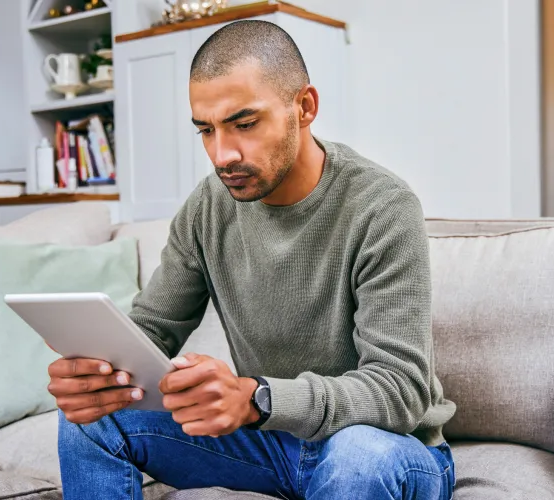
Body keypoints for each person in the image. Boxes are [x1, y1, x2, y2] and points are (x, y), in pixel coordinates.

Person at [48, 19, 456, 500]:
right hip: (267, 446)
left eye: (244, 124)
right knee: (93, 418)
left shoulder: (382, 207)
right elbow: (149, 331)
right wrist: (98, 375)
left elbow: (398, 391)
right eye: (206, 130)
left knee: (357, 459)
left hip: (387, 449)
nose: (223, 155)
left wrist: (258, 398)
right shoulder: (206, 208)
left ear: (304, 107)